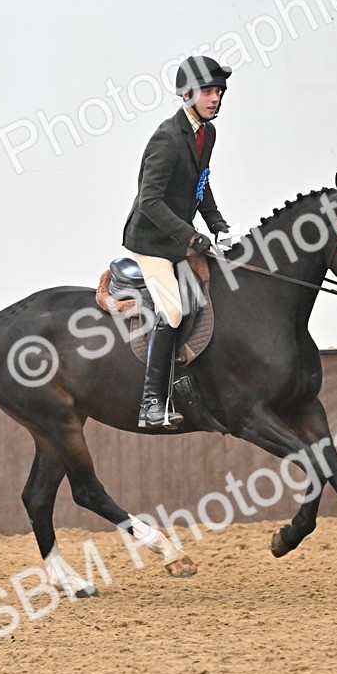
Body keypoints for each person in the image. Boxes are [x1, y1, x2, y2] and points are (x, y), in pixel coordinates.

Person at [122, 55, 232, 429]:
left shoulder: (207, 133)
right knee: (172, 310)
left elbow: (201, 183)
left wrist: (217, 222)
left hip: (178, 238)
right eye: (207, 91)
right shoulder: (167, 137)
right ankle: (151, 402)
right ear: (186, 94)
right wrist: (191, 235)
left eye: (218, 91)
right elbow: (149, 201)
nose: (215, 98)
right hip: (151, 241)